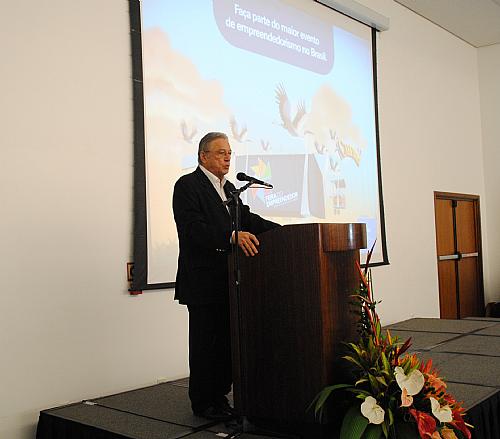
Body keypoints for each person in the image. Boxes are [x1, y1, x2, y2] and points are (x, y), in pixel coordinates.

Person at [173, 132, 280, 421]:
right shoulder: (187, 186)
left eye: (230, 153)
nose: (227, 157)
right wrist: (230, 236)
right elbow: (192, 230)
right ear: (203, 156)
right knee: (205, 344)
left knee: (225, 344)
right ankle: (203, 402)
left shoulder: (230, 189)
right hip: (202, 282)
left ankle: (220, 398)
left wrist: (282, 231)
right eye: (221, 152)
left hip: (230, 281)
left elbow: (247, 219)